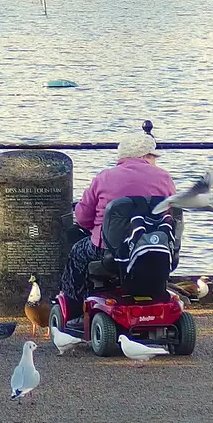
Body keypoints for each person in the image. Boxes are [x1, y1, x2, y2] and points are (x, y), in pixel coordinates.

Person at [59, 130, 176, 323]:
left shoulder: (105, 177)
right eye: (153, 157)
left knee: (77, 253)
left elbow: (82, 218)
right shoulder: (164, 178)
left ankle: (76, 311)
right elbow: (171, 214)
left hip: (108, 250)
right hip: (153, 246)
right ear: (145, 156)